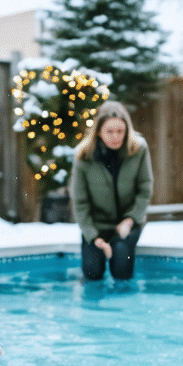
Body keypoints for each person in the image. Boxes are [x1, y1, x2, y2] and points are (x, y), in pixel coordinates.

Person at [70, 100, 153, 281]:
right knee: (92, 272)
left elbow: (145, 189)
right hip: (96, 225)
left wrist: (129, 221)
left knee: (121, 267)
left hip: (128, 223)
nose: (115, 136)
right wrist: (95, 237)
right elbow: (80, 202)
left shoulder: (138, 149)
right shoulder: (83, 156)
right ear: (99, 132)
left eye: (120, 131)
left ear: (126, 130)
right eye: (109, 131)